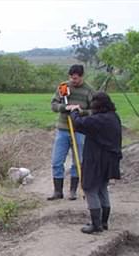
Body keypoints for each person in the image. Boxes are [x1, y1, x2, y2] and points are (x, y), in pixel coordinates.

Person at [68, 91, 122, 234]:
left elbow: (78, 124)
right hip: (110, 160)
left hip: (96, 159)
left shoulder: (98, 120)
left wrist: (74, 112)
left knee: (90, 188)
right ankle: (103, 223)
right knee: (102, 188)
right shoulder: (113, 117)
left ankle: (96, 225)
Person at [48, 64, 95, 201]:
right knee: (57, 161)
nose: (73, 81)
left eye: (76, 79)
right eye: (71, 78)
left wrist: (82, 111)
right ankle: (58, 191)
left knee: (78, 161)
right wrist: (65, 107)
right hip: (63, 129)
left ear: (81, 77)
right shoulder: (63, 87)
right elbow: (53, 105)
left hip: (80, 130)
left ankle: (73, 191)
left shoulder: (89, 90)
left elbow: (95, 111)